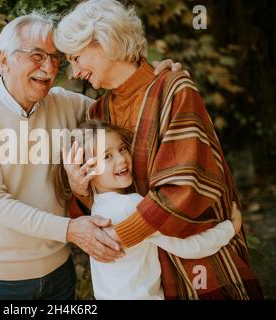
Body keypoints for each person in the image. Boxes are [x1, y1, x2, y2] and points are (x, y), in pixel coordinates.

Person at [0, 11, 180, 299]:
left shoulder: (68, 105)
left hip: (58, 272)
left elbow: (126, 110)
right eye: (37, 56)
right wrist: (71, 230)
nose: (49, 67)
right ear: (3, 59)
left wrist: (157, 80)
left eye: (55, 58)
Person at [54, 0, 262, 299]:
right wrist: (81, 189)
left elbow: (185, 188)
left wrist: (120, 236)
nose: (73, 72)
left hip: (195, 256)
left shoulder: (175, 90)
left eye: (76, 58)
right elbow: (103, 200)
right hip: (142, 272)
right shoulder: (98, 113)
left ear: (103, 40)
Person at [53, 120, 243, 299]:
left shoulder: (97, 207)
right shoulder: (130, 206)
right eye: (107, 156)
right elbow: (188, 247)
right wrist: (230, 228)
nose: (122, 159)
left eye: (122, 148)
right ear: (86, 170)